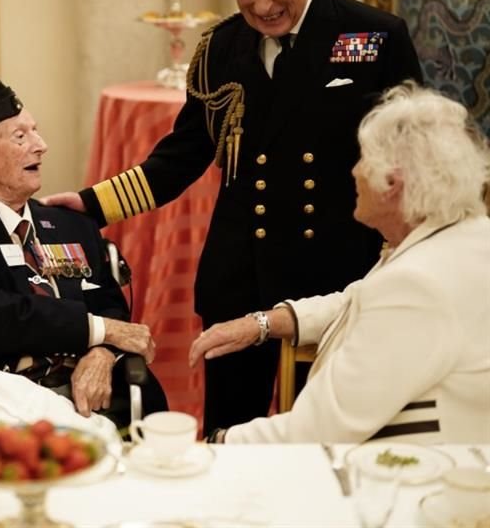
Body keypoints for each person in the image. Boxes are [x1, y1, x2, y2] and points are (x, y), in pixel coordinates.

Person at [44, 0, 423, 432]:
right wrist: (91, 204)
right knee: (230, 430)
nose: (262, 5)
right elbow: (182, 154)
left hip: (334, 271)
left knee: (328, 432)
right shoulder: (221, 46)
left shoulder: (372, 37)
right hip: (240, 273)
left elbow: (412, 155)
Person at [189, 83, 490, 444]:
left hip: (403, 478)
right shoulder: (466, 234)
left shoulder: (417, 284)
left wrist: (216, 445)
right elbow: (361, 300)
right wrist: (263, 323)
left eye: (363, 159)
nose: (354, 172)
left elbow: (317, 430)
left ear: (392, 182)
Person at [0, 79, 168, 443]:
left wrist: (103, 352)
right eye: (20, 136)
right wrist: (102, 331)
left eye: (36, 131)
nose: (41, 146)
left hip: (87, 390)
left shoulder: (70, 223)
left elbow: (109, 303)